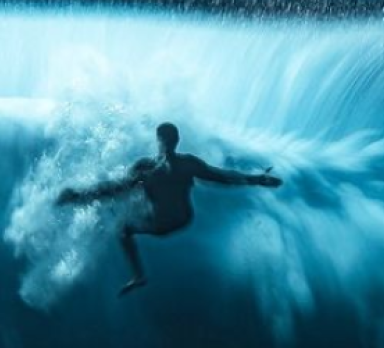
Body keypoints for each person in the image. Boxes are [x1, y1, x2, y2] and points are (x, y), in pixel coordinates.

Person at [56, 122, 282, 296]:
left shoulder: (146, 168)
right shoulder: (189, 163)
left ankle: (139, 276)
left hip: (160, 223)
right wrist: (257, 179)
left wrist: (77, 195)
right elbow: (222, 177)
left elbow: (114, 189)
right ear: (177, 140)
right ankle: (138, 266)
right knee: (135, 197)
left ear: (158, 140)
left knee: (123, 226)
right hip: (183, 219)